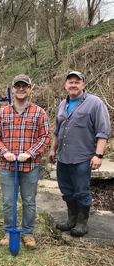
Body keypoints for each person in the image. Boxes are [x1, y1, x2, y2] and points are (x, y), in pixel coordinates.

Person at [0, 74, 50, 249]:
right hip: (8, 166)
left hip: (30, 166)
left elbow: (45, 136)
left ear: (30, 88)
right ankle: (9, 231)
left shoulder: (39, 112)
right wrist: (5, 151)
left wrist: (30, 153)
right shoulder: (3, 113)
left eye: (25, 86)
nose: (21, 89)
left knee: (29, 200)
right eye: (18, 86)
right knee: (8, 201)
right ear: (13, 88)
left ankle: (28, 233)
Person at [49, 71, 111, 237]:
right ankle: (71, 220)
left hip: (82, 158)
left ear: (83, 84)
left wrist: (98, 155)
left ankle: (82, 224)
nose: (73, 85)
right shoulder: (62, 104)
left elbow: (103, 131)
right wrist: (53, 149)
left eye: (77, 82)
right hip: (63, 157)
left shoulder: (94, 103)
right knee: (67, 190)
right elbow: (57, 130)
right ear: (65, 86)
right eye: (70, 82)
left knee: (82, 191)